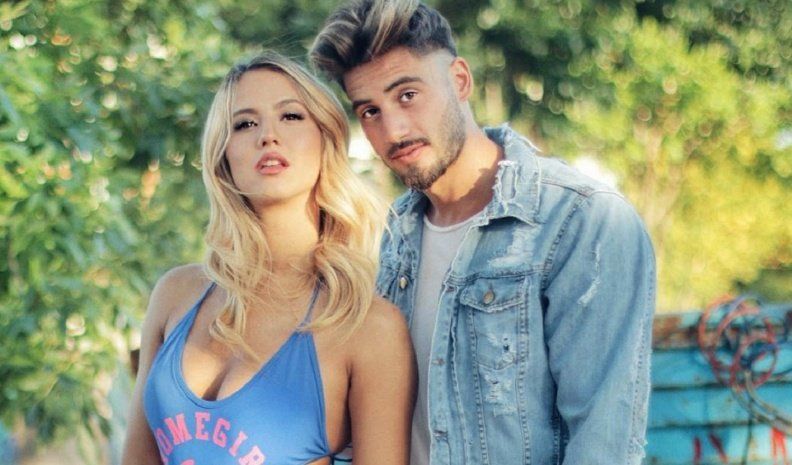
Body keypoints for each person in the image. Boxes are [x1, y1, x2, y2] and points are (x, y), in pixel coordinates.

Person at [310, 1, 656, 464]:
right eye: (370, 111)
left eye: (407, 95)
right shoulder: (388, 238)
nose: (393, 128)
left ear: (459, 80)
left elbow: (604, 443)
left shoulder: (580, 220)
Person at [121, 52, 416, 465]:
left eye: (290, 116)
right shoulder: (176, 295)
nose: (268, 136)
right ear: (224, 156)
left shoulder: (368, 327)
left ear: (326, 140)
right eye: (245, 124)